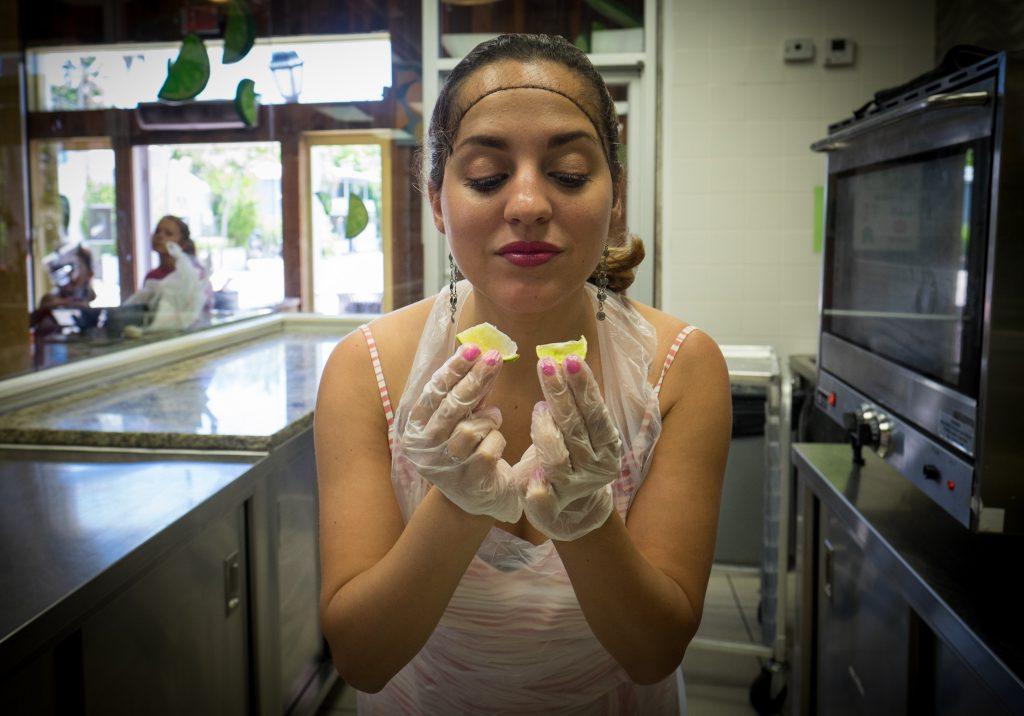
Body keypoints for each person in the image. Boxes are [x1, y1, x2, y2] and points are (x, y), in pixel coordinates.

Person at [314, 34, 731, 714]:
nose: (529, 203)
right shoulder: (368, 369)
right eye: (485, 176)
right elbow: (361, 658)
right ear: (439, 202)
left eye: (568, 172)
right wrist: (456, 505)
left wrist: (586, 517)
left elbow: (654, 651)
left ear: (615, 196)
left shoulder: (679, 367)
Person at [123, 215, 212, 327]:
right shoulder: (152, 276)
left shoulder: (195, 276)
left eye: (168, 234)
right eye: (157, 231)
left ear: (182, 244)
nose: (160, 236)